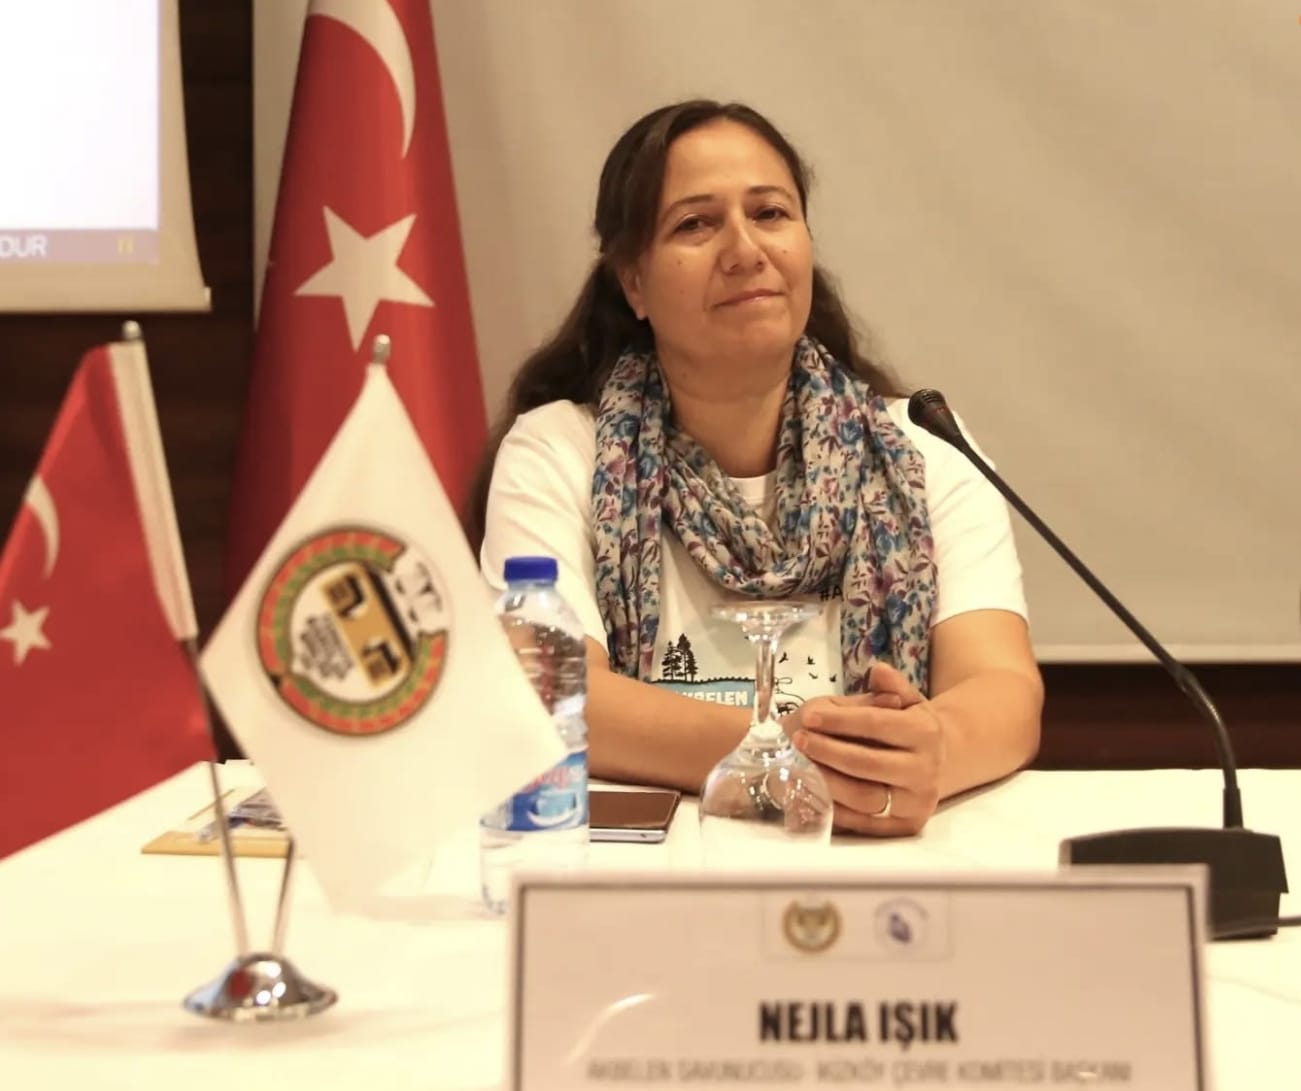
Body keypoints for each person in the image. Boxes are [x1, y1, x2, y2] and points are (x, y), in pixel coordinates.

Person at [472, 100, 1042, 836]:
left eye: (770, 213)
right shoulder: (558, 451)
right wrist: (788, 757)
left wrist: (930, 752)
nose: (744, 249)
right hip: (656, 873)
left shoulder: (923, 447)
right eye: (695, 224)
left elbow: (1002, 689)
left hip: (870, 865)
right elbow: (550, 692)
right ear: (633, 282)